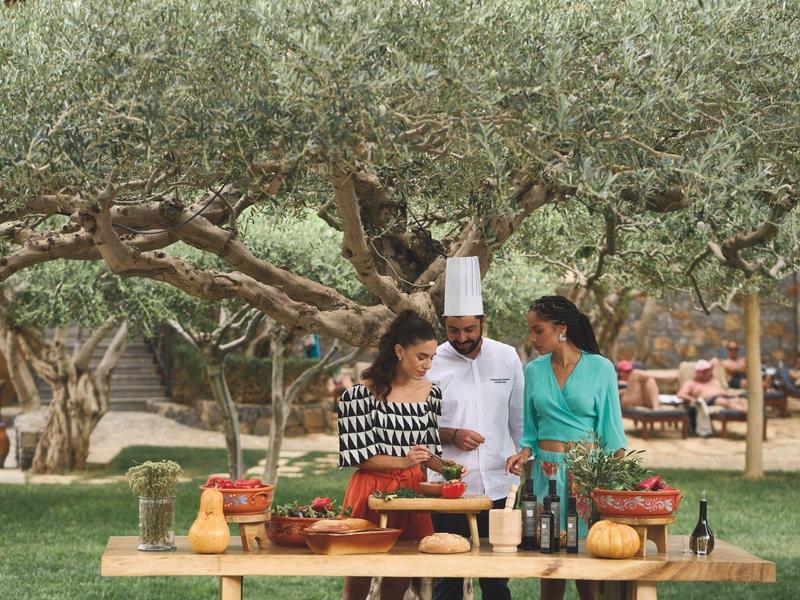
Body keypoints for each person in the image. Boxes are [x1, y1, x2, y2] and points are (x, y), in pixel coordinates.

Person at [505, 295, 627, 600]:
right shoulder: (533, 370)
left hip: (586, 477)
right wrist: (523, 452)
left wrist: (615, 490)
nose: (532, 338)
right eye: (530, 331)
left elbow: (612, 433)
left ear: (562, 328)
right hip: (546, 475)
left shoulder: (601, 368)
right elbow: (530, 431)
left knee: (587, 563)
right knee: (550, 563)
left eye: (538, 330)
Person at [426, 256, 523, 600]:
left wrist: (524, 452)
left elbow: (519, 420)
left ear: (483, 320)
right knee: (447, 579)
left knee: (496, 579)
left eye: (469, 329)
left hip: (499, 486)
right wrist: (452, 435)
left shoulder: (507, 357)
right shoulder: (432, 361)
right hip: (449, 488)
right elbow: (416, 429)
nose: (462, 337)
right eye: (453, 330)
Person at [337, 310, 446, 600]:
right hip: (370, 490)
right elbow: (358, 456)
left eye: (432, 357)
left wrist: (449, 469)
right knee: (358, 577)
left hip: (411, 493)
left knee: (401, 575)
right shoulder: (359, 395)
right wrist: (405, 461)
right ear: (399, 351)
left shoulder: (432, 393)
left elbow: (429, 451)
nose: (428, 364)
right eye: (421, 356)